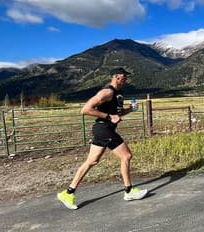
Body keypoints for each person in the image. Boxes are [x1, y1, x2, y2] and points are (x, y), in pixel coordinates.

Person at [57, 67, 147, 210]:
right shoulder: (107, 92)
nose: (126, 79)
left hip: (104, 130)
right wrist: (109, 117)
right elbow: (85, 109)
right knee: (126, 156)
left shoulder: (119, 93)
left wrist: (130, 109)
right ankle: (129, 191)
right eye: (124, 77)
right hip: (103, 129)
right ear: (117, 77)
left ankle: (68, 193)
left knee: (92, 161)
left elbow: (117, 113)